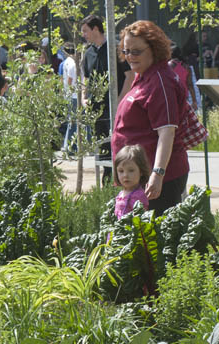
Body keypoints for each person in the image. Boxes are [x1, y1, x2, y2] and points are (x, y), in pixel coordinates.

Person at [113, 20, 191, 215]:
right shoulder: (143, 75)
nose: (130, 57)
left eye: (136, 51)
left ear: (154, 49)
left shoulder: (160, 81)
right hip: (139, 177)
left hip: (158, 180)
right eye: (126, 51)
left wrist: (157, 174)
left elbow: (167, 132)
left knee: (156, 240)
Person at [80, 15, 134, 184]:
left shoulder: (115, 49)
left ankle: (123, 181)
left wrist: (119, 100)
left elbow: (130, 75)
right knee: (102, 146)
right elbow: (86, 79)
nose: (83, 35)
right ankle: (107, 182)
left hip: (116, 109)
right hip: (96, 111)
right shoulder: (88, 53)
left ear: (96, 29)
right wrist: (83, 97)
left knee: (119, 145)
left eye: (85, 31)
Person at [113, 144, 151, 219]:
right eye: (121, 171)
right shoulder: (121, 193)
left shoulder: (139, 196)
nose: (125, 175)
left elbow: (141, 220)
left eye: (131, 170)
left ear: (141, 171)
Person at [169, 46, 198, 110]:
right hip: (184, 96)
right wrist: (194, 101)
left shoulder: (168, 66)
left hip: (172, 96)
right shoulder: (187, 67)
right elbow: (190, 85)